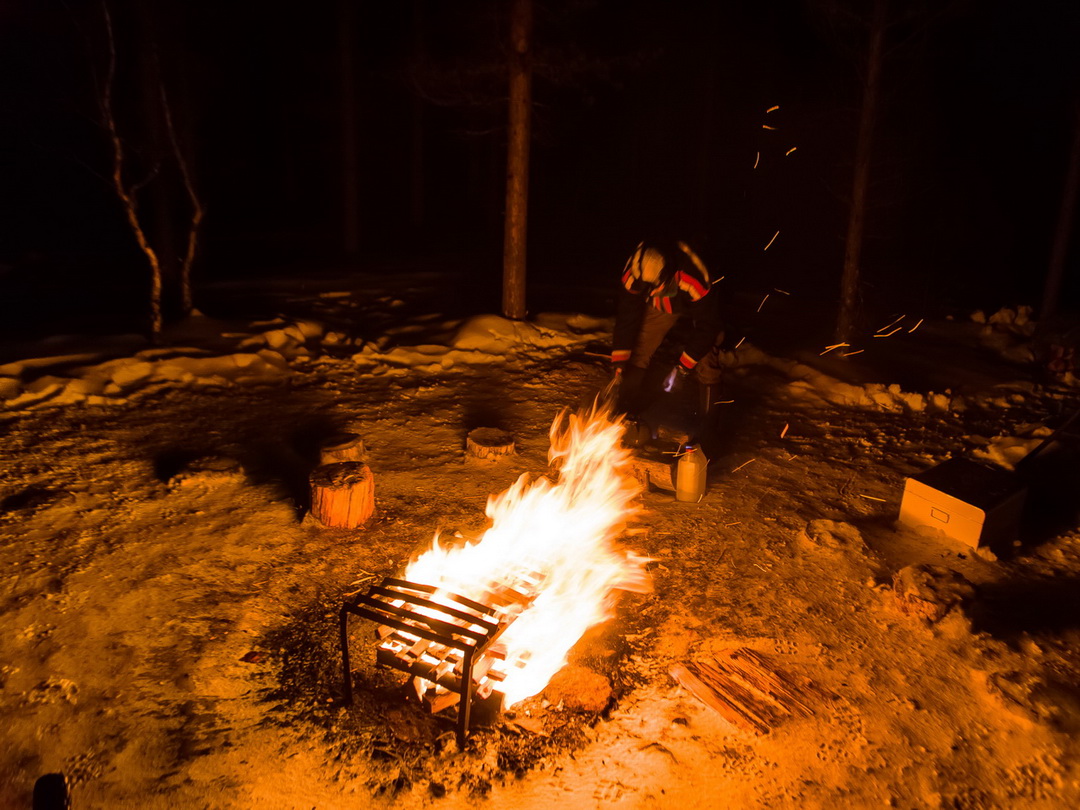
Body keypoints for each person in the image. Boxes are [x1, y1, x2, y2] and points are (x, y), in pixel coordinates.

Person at [610, 238, 723, 423]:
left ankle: (708, 428)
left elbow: (708, 326)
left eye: (655, 290)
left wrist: (682, 367)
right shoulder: (633, 275)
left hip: (698, 303)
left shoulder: (695, 277)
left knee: (707, 358)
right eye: (647, 291)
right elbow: (626, 318)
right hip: (664, 304)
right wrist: (619, 363)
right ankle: (623, 414)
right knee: (639, 348)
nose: (650, 294)